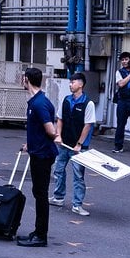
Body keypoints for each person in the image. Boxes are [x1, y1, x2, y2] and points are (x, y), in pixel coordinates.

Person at [16, 67, 58, 247]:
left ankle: (41, 235)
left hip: (42, 155)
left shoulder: (39, 104)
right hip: (38, 151)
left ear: (27, 79)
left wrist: (49, 138)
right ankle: (38, 231)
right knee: (38, 192)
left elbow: (50, 130)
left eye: (23, 77)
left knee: (40, 194)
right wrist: (29, 145)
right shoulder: (37, 101)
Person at [51, 72, 96, 216]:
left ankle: (77, 205)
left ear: (81, 84)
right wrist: (58, 136)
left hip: (78, 147)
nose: (70, 84)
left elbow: (87, 125)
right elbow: (60, 119)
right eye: (70, 82)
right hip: (63, 144)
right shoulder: (66, 100)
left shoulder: (88, 103)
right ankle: (58, 197)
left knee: (78, 176)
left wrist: (79, 144)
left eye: (73, 82)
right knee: (58, 170)